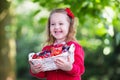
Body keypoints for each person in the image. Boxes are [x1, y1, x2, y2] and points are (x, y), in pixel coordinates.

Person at [29, 8, 85, 80]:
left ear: (69, 26)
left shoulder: (74, 47)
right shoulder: (46, 49)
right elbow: (44, 73)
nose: (56, 27)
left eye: (61, 23)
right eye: (53, 24)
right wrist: (35, 70)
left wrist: (69, 67)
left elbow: (80, 69)